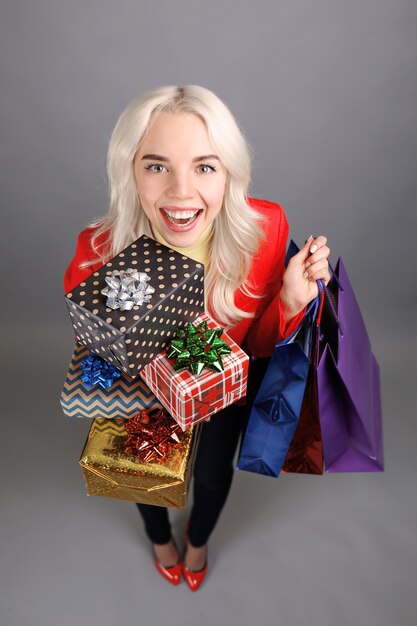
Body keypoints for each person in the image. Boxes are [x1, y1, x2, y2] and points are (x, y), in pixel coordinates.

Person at [64, 85, 330, 591]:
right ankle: (160, 538)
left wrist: (292, 303)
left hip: (225, 387)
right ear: (131, 171)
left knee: (211, 473)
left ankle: (199, 539)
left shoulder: (266, 228)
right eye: (157, 165)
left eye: (205, 166)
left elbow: (260, 345)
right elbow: (91, 341)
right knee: (145, 470)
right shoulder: (96, 250)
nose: (182, 193)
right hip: (144, 389)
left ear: (229, 172)